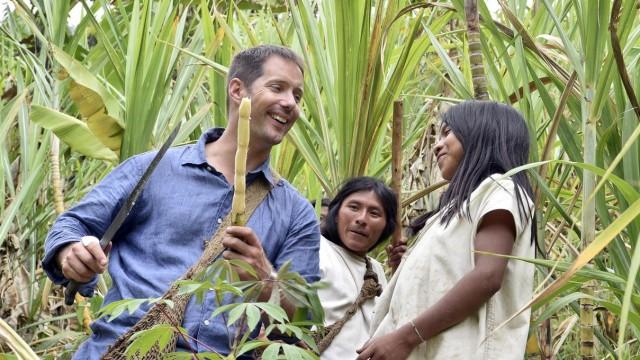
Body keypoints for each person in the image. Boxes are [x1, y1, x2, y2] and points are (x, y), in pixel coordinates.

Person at [42, 45, 320, 359]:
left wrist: (265, 280)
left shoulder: (297, 214)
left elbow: (303, 320)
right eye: (277, 88)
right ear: (236, 89)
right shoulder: (152, 169)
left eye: (297, 96)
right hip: (120, 350)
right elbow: (72, 225)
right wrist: (71, 253)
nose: (290, 103)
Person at [357, 101, 536, 360]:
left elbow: (487, 278)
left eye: (448, 132)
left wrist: (406, 337)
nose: (437, 144)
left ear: (481, 134)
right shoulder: (452, 211)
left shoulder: (500, 190)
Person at [317, 177, 398, 359]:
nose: (362, 219)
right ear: (336, 213)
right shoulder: (313, 250)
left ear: (386, 226)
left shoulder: (376, 270)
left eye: (374, 213)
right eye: (354, 207)